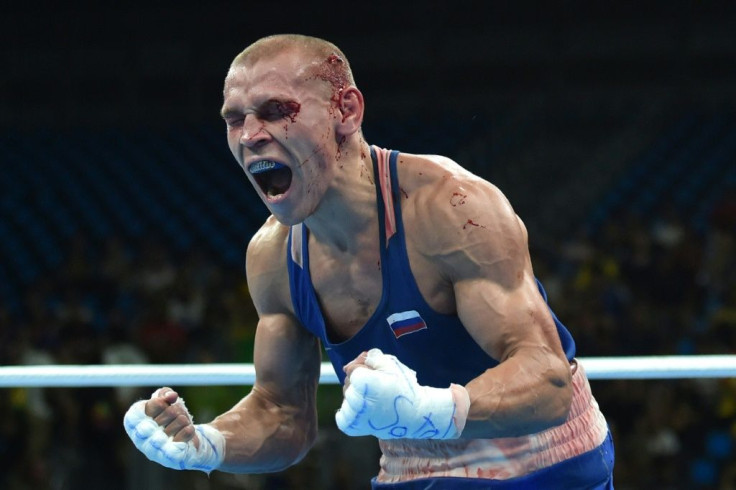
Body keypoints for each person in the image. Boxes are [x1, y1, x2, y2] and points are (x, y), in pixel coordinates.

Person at [123, 34, 615, 489]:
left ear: (346, 110)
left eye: (275, 110)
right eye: (234, 119)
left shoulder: (450, 208)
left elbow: (547, 380)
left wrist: (430, 408)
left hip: (545, 463)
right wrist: (206, 444)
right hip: (412, 466)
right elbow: (282, 414)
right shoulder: (273, 257)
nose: (250, 135)